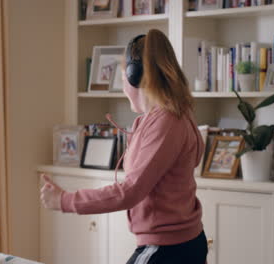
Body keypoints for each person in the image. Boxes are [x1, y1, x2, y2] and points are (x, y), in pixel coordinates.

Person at [40, 29, 208, 264]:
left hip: (167, 248)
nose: (122, 87)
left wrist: (64, 200)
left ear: (135, 76)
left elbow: (130, 191)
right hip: (181, 242)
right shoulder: (170, 116)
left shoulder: (167, 121)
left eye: (121, 78)